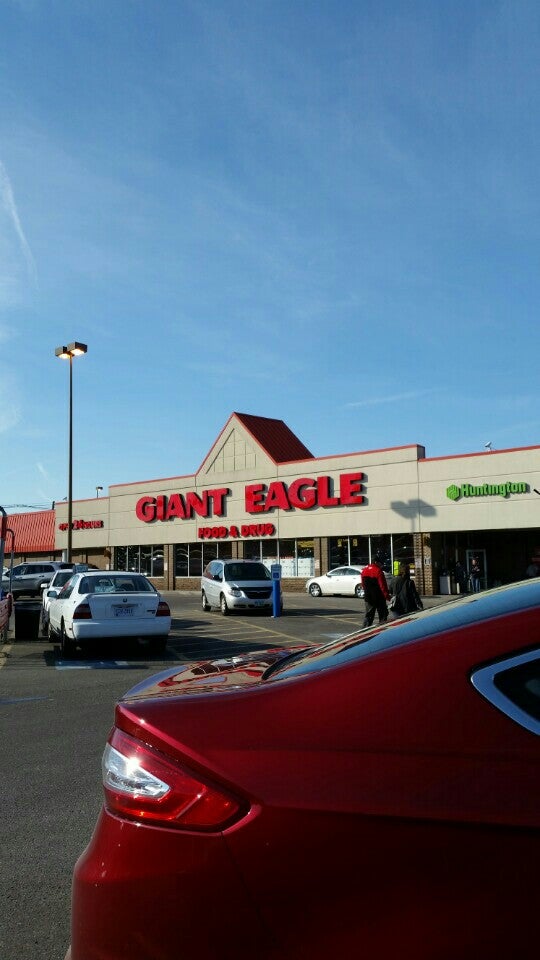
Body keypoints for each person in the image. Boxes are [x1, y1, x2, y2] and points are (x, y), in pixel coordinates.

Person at [361, 555, 391, 627]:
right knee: (383, 616)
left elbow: (363, 584)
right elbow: (383, 586)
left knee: (368, 616)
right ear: (376, 562)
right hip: (379, 598)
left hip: (368, 598)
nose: (381, 564)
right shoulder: (378, 571)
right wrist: (387, 597)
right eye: (380, 563)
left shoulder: (364, 570)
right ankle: (382, 629)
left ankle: (364, 631)